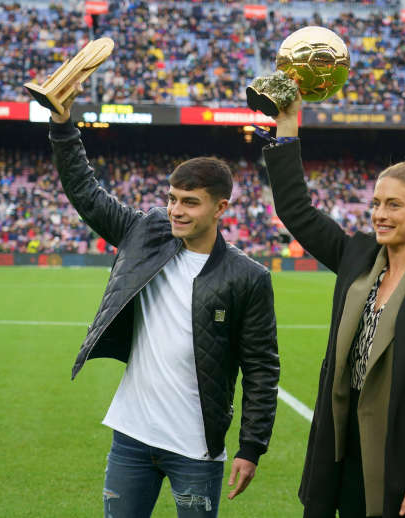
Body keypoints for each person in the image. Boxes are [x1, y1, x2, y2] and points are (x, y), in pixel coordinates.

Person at [48, 87, 280, 518]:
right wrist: (64, 126)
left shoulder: (248, 277)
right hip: (131, 438)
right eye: (172, 199)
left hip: (195, 449)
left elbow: (262, 368)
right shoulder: (146, 234)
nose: (176, 210)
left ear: (220, 207)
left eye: (190, 202)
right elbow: (87, 194)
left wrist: (252, 447)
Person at [263, 95, 405, 518]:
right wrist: (287, 130)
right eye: (376, 203)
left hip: (400, 464)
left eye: (393, 205)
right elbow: (296, 210)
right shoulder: (356, 258)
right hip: (339, 457)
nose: (379, 214)